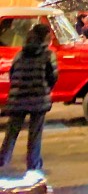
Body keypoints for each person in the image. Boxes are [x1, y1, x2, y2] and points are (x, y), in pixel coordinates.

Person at [0, 23, 58, 171]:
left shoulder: (20, 54)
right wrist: (45, 89)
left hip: (18, 98)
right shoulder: (48, 55)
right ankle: (33, 164)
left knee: (11, 132)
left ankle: (3, 159)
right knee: (35, 135)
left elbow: (12, 74)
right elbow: (52, 77)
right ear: (45, 37)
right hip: (38, 100)